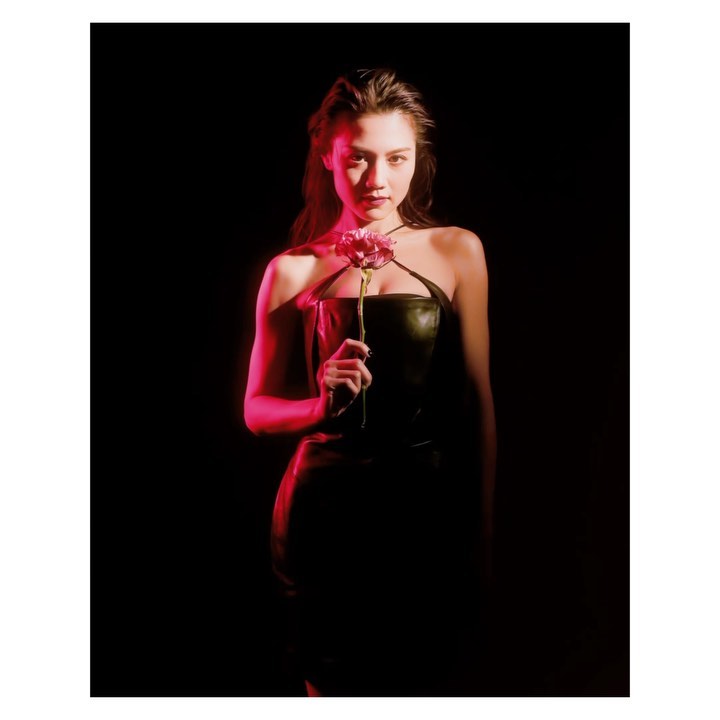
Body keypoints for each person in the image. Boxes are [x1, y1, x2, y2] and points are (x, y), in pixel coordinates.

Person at [244, 68, 496, 696]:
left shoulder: (457, 251)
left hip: (424, 512)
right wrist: (318, 406)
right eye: (357, 158)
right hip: (322, 514)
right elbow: (257, 409)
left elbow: (477, 402)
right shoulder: (291, 270)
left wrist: (483, 530)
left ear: (417, 158)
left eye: (396, 158)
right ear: (327, 158)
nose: (377, 179)